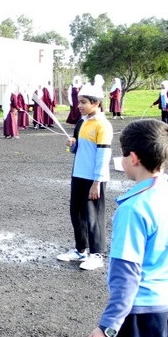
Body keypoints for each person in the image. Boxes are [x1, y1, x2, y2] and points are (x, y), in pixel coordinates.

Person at [82, 118, 168, 337]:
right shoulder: (166, 194)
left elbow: (126, 278)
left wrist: (108, 327)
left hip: (136, 316)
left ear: (133, 158)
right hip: (163, 311)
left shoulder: (134, 208)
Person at [56, 79, 113, 270]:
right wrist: (72, 145)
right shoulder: (82, 122)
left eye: (83, 102)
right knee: (77, 213)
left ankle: (96, 254)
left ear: (95, 103)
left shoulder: (102, 125)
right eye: (79, 102)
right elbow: (79, 150)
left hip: (94, 178)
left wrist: (97, 182)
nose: (78, 106)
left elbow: (103, 155)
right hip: (78, 174)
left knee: (93, 215)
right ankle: (81, 249)